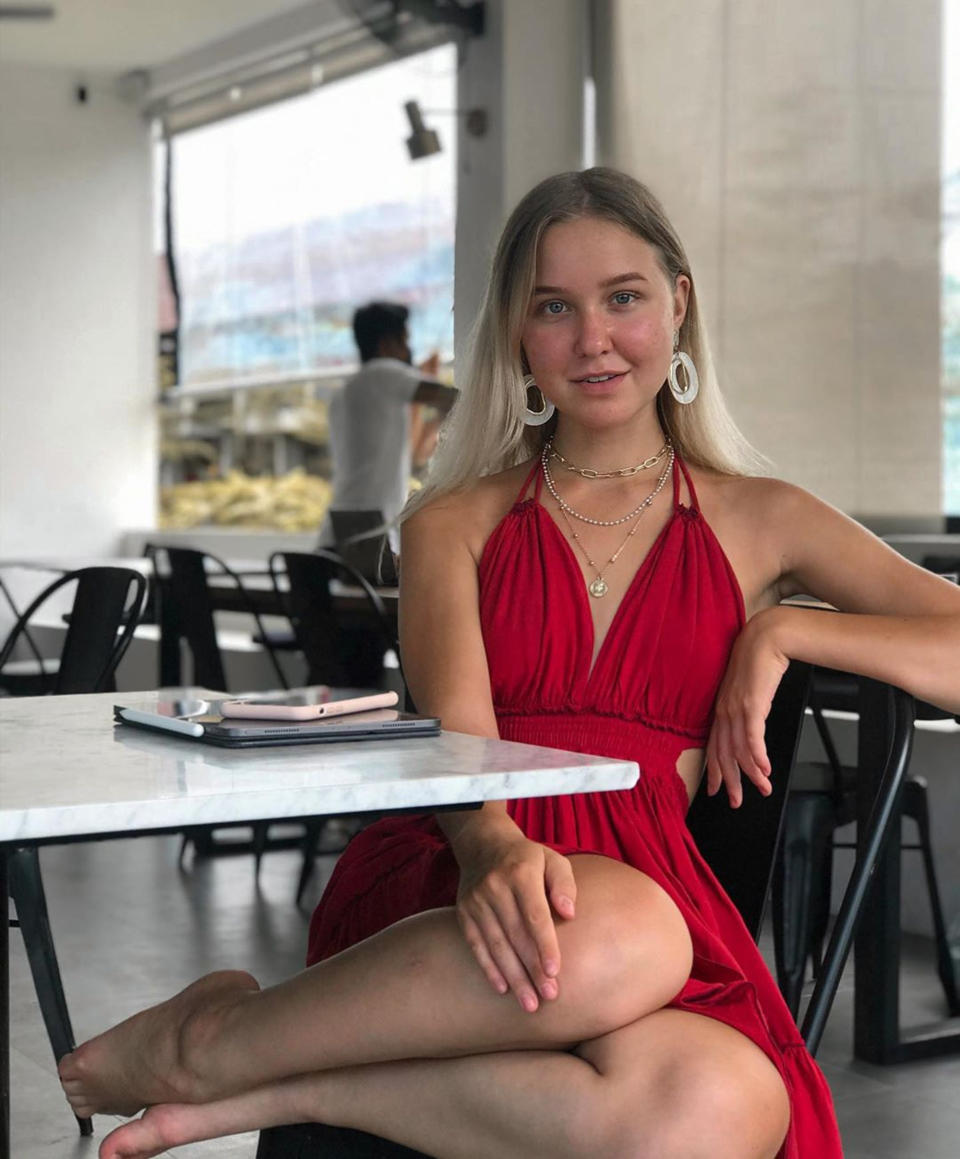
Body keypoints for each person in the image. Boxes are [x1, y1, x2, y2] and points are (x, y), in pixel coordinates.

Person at [59, 168, 960, 1159]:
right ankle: (210, 1049)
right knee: (617, 932)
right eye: (554, 308)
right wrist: (490, 847)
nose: (594, 339)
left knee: (720, 1104)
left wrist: (786, 633)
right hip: (462, 868)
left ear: (678, 303)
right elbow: (458, 746)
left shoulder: (766, 516)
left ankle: (258, 1066)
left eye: (624, 297)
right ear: (519, 336)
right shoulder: (453, 522)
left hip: (651, 892)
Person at [318, 300, 457, 550]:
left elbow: (413, 453)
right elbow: (453, 399)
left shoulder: (345, 392)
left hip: (335, 532)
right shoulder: (385, 373)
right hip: (368, 534)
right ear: (385, 344)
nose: (408, 350)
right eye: (404, 341)